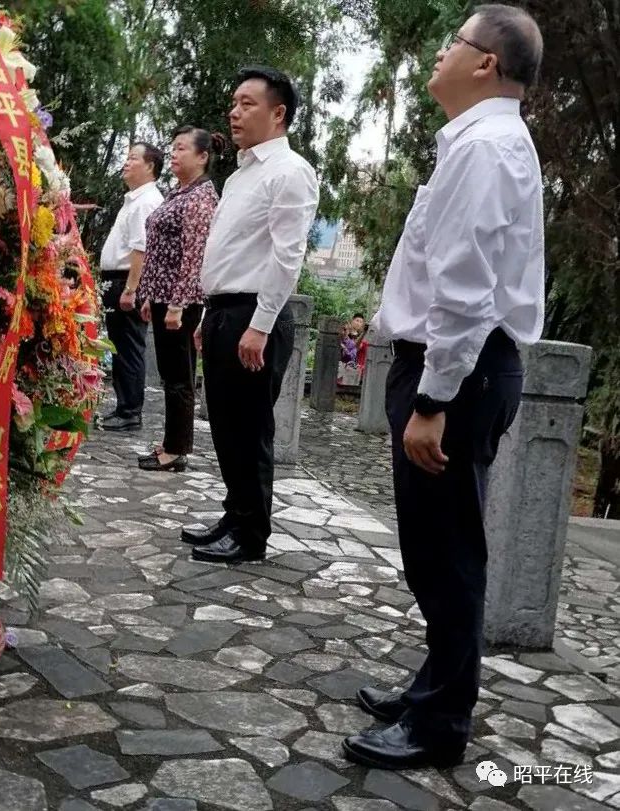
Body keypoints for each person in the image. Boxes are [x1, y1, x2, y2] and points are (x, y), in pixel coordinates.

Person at [341, 4, 544, 770]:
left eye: (454, 41)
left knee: (448, 552)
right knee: (435, 548)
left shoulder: (485, 148)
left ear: (485, 62)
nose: (439, 51)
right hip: (459, 365)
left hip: (458, 371)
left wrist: (431, 401)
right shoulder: (477, 141)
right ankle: (432, 688)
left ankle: (438, 723)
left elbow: (465, 288)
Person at [180, 65, 319, 563]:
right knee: (224, 424)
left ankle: (251, 533)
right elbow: (230, 252)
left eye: (247, 103)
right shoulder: (242, 174)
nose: (234, 112)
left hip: (254, 314)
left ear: (278, 113)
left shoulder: (289, 172)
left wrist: (260, 324)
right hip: (224, 310)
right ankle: (235, 514)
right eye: (234, 103)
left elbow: (287, 255)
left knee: (249, 427)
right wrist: (206, 315)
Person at [137, 127, 223, 472]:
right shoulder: (179, 192)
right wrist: (150, 296)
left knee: (178, 375)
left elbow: (194, 257)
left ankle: (176, 450)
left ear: (202, 157)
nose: (174, 154)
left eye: (182, 149)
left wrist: (177, 304)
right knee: (171, 374)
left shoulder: (201, 197)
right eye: (173, 148)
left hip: (180, 301)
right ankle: (172, 441)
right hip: (163, 295)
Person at [98, 142, 164, 431]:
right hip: (118, 279)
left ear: (150, 166)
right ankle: (124, 406)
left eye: (133, 158)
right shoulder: (134, 200)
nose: (126, 163)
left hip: (127, 280)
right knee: (121, 346)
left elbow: (142, 248)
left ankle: (130, 411)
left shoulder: (146, 201)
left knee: (129, 346)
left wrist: (131, 289)